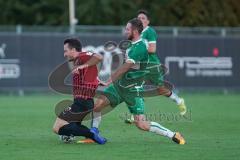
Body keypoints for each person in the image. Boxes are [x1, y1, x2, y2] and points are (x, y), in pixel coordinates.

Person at [87, 18, 185, 145]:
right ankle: (93, 133)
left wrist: (108, 80)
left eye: (127, 29)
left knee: (141, 124)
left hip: (133, 91)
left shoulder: (140, 48)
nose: (125, 31)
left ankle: (173, 134)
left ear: (135, 31)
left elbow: (126, 67)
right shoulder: (131, 45)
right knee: (97, 106)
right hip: (119, 87)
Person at [125, 10, 187, 123]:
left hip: (152, 65)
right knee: (136, 87)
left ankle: (179, 101)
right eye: (139, 18)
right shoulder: (136, 32)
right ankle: (136, 114)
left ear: (148, 21)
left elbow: (152, 49)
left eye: (143, 18)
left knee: (161, 89)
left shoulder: (150, 31)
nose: (140, 20)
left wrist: (139, 50)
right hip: (142, 65)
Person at [52, 38, 107, 144]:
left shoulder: (82, 56)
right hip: (83, 101)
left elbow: (99, 57)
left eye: (65, 51)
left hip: (82, 102)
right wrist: (96, 80)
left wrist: (83, 65)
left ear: (73, 49)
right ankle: (82, 134)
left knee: (57, 127)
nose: (64, 54)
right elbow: (89, 73)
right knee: (73, 126)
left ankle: (92, 135)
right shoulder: (79, 61)